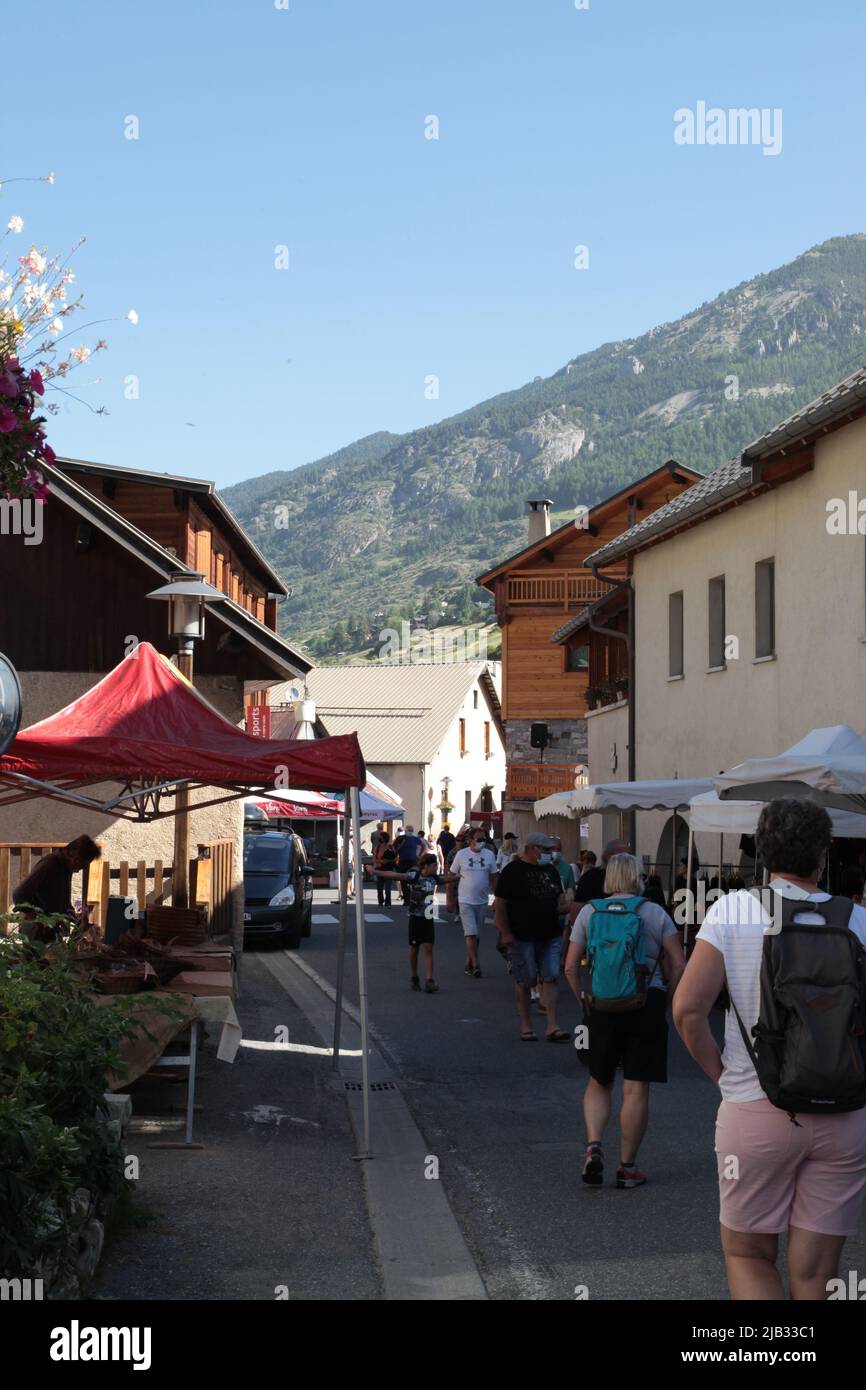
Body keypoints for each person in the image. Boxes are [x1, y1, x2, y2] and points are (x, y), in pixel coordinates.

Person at [674, 798, 866, 1300]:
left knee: (748, 1255)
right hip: (844, 1112)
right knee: (815, 1278)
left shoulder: (732, 911)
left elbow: (688, 1011)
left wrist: (722, 1076)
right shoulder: (860, 921)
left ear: (762, 850)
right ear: (825, 854)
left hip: (756, 1107)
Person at [565, 853, 684, 1189]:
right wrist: (667, 997)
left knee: (598, 1080)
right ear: (638, 877)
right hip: (645, 1001)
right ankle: (627, 1167)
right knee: (635, 1087)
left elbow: (571, 966)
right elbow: (679, 962)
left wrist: (584, 1000)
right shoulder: (654, 912)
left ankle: (593, 1147)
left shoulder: (590, 911)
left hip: (601, 1004)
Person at [494, 832, 572, 1042]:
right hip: (522, 935)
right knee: (525, 980)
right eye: (546, 850)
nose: (550, 853)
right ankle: (526, 1025)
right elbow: (499, 905)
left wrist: (570, 907)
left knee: (552, 976)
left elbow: (559, 901)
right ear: (532, 849)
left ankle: (552, 1025)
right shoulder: (513, 870)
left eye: (551, 850)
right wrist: (505, 932)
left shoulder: (552, 871)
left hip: (551, 933)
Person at [13, 835, 102, 943]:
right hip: (37, 930)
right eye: (84, 864)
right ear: (76, 858)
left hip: (52, 927)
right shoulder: (49, 864)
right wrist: (37, 920)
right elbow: (19, 894)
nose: (83, 868)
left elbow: (62, 901)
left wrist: (74, 918)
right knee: (36, 959)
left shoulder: (66, 867)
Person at [378, 853, 446, 993]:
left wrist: (460, 876)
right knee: (415, 949)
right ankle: (414, 977)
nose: (436, 868)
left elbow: (447, 879)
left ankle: (429, 980)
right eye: (434, 865)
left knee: (428, 948)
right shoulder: (414, 876)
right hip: (415, 917)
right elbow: (395, 875)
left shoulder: (434, 878)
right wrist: (375, 871)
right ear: (426, 866)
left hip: (428, 916)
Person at [450, 828, 497, 977]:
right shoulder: (461, 855)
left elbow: (494, 877)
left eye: (484, 839)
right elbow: (451, 876)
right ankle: (476, 965)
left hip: (482, 901)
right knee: (470, 933)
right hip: (465, 900)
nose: (481, 842)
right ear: (470, 840)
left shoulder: (489, 855)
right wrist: (450, 898)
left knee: (476, 935)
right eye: (478, 839)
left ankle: (468, 962)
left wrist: (497, 898)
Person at [574, 840, 627, 904]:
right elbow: (578, 908)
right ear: (606, 856)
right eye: (619, 856)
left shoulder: (633, 878)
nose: (625, 860)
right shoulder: (589, 878)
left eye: (627, 856)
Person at [374, 831, 393, 908]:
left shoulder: (391, 847)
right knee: (380, 886)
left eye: (381, 837)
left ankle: (388, 902)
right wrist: (381, 861)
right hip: (380, 869)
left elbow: (395, 858)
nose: (379, 838)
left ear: (384, 838)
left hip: (389, 869)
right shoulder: (377, 847)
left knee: (388, 887)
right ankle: (381, 901)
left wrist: (388, 861)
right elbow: (375, 859)